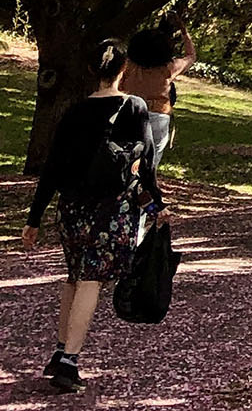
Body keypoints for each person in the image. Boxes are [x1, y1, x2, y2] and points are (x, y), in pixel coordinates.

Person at [21, 39, 161, 395]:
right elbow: (144, 165)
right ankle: (69, 361)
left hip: (71, 209)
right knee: (91, 280)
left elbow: (50, 168)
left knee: (75, 276)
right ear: (123, 69)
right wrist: (156, 206)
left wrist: (33, 219)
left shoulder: (73, 112)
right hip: (110, 209)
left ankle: (59, 351)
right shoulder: (135, 107)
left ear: (90, 71)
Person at [120, 20, 196, 168]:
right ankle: (145, 186)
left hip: (129, 111)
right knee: (151, 160)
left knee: (124, 155)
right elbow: (191, 56)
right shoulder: (169, 68)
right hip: (159, 114)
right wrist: (184, 32)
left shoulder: (128, 66)